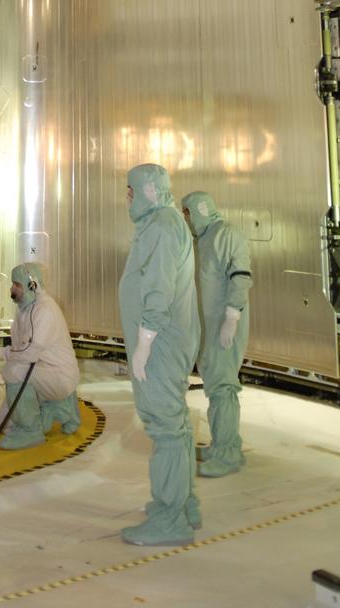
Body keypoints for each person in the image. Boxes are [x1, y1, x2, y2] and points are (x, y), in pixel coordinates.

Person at [118, 163, 201, 545]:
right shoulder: (162, 223)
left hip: (161, 343)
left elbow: (158, 287)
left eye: (132, 190)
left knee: (165, 426)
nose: (128, 198)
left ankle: (171, 519)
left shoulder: (163, 226)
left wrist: (145, 341)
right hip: (169, 340)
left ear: (150, 191)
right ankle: (183, 505)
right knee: (176, 422)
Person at [181, 190, 252, 478]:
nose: (185, 218)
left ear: (199, 209)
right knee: (215, 386)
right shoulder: (201, 240)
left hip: (224, 326)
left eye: (187, 212)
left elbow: (240, 275)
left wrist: (232, 317)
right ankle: (224, 444)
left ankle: (227, 455)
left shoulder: (227, 234)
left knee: (223, 387)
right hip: (208, 328)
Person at [0, 261, 81, 450]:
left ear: (32, 285)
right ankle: (57, 408)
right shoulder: (24, 309)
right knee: (1, 424)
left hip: (58, 375)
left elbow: (30, 353)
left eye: (17, 284)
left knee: (13, 371)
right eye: (13, 284)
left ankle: (30, 431)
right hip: (45, 372)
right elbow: (20, 345)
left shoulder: (44, 309)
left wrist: (3, 353)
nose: (12, 288)